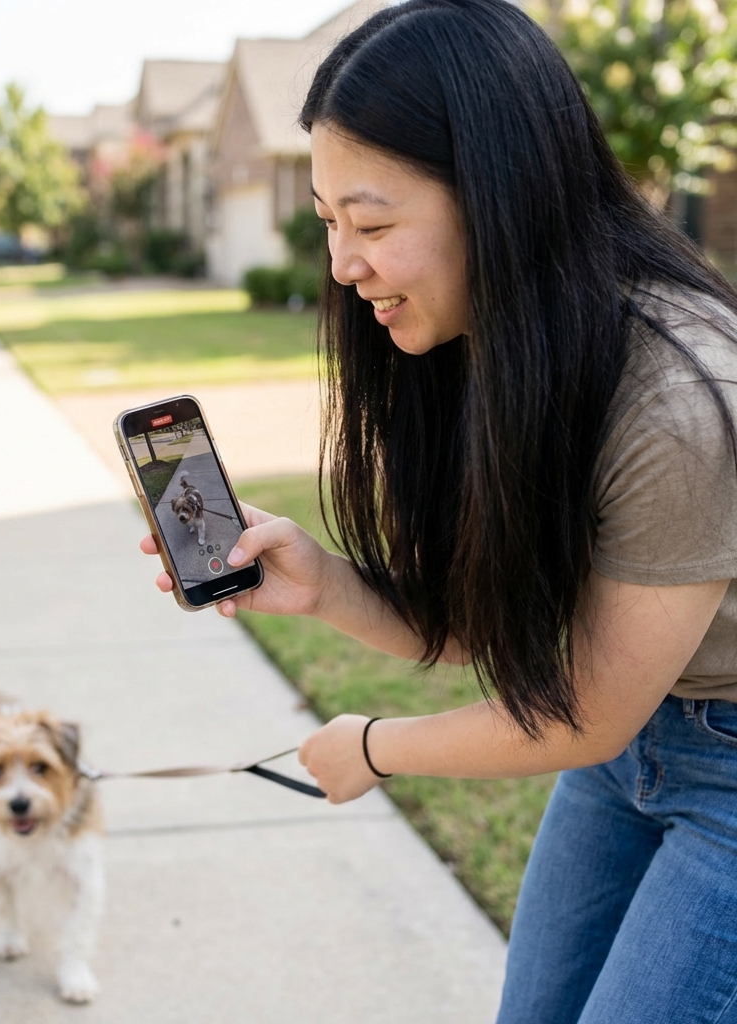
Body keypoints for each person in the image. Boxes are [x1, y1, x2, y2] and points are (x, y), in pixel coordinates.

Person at [140, 1, 737, 1020]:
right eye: (329, 223)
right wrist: (322, 582)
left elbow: (585, 711)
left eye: (371, 225)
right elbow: (480, 628)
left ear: (500, 196)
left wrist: (373, 746)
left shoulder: (678, 402)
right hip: (628, 747)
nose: (340, 264)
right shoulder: (494, 343)